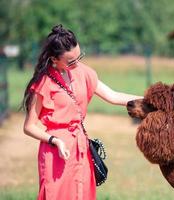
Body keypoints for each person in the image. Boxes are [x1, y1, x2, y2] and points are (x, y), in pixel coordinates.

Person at [21, 24, 142, 200]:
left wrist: (150, 100)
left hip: (81, 148)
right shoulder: (43, 83)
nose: (77, 63)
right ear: (54, 60)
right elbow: (29, 126)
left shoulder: (82, 72)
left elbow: (113, 96)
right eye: (71, 61)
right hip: (56, 152)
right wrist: (55, 140)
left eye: (79, 57)